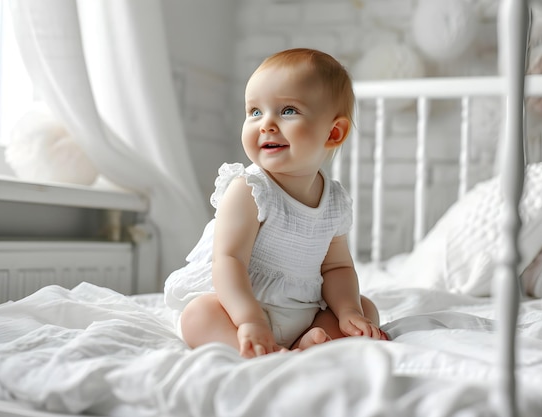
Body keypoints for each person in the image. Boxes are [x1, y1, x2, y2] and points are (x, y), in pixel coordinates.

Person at [164, 48, 386, 359]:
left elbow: (338, 267)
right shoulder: (250, 189)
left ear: (333, 132)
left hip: (304, 310)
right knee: (198, 315)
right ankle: (266, 350)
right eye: (255, 112)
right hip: (240, 307)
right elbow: (228, 260)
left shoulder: (333, 201)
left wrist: (349, 310)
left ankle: (301, 346)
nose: (265, 124)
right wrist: (249, 319)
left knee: (366, 309)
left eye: (287, 111)